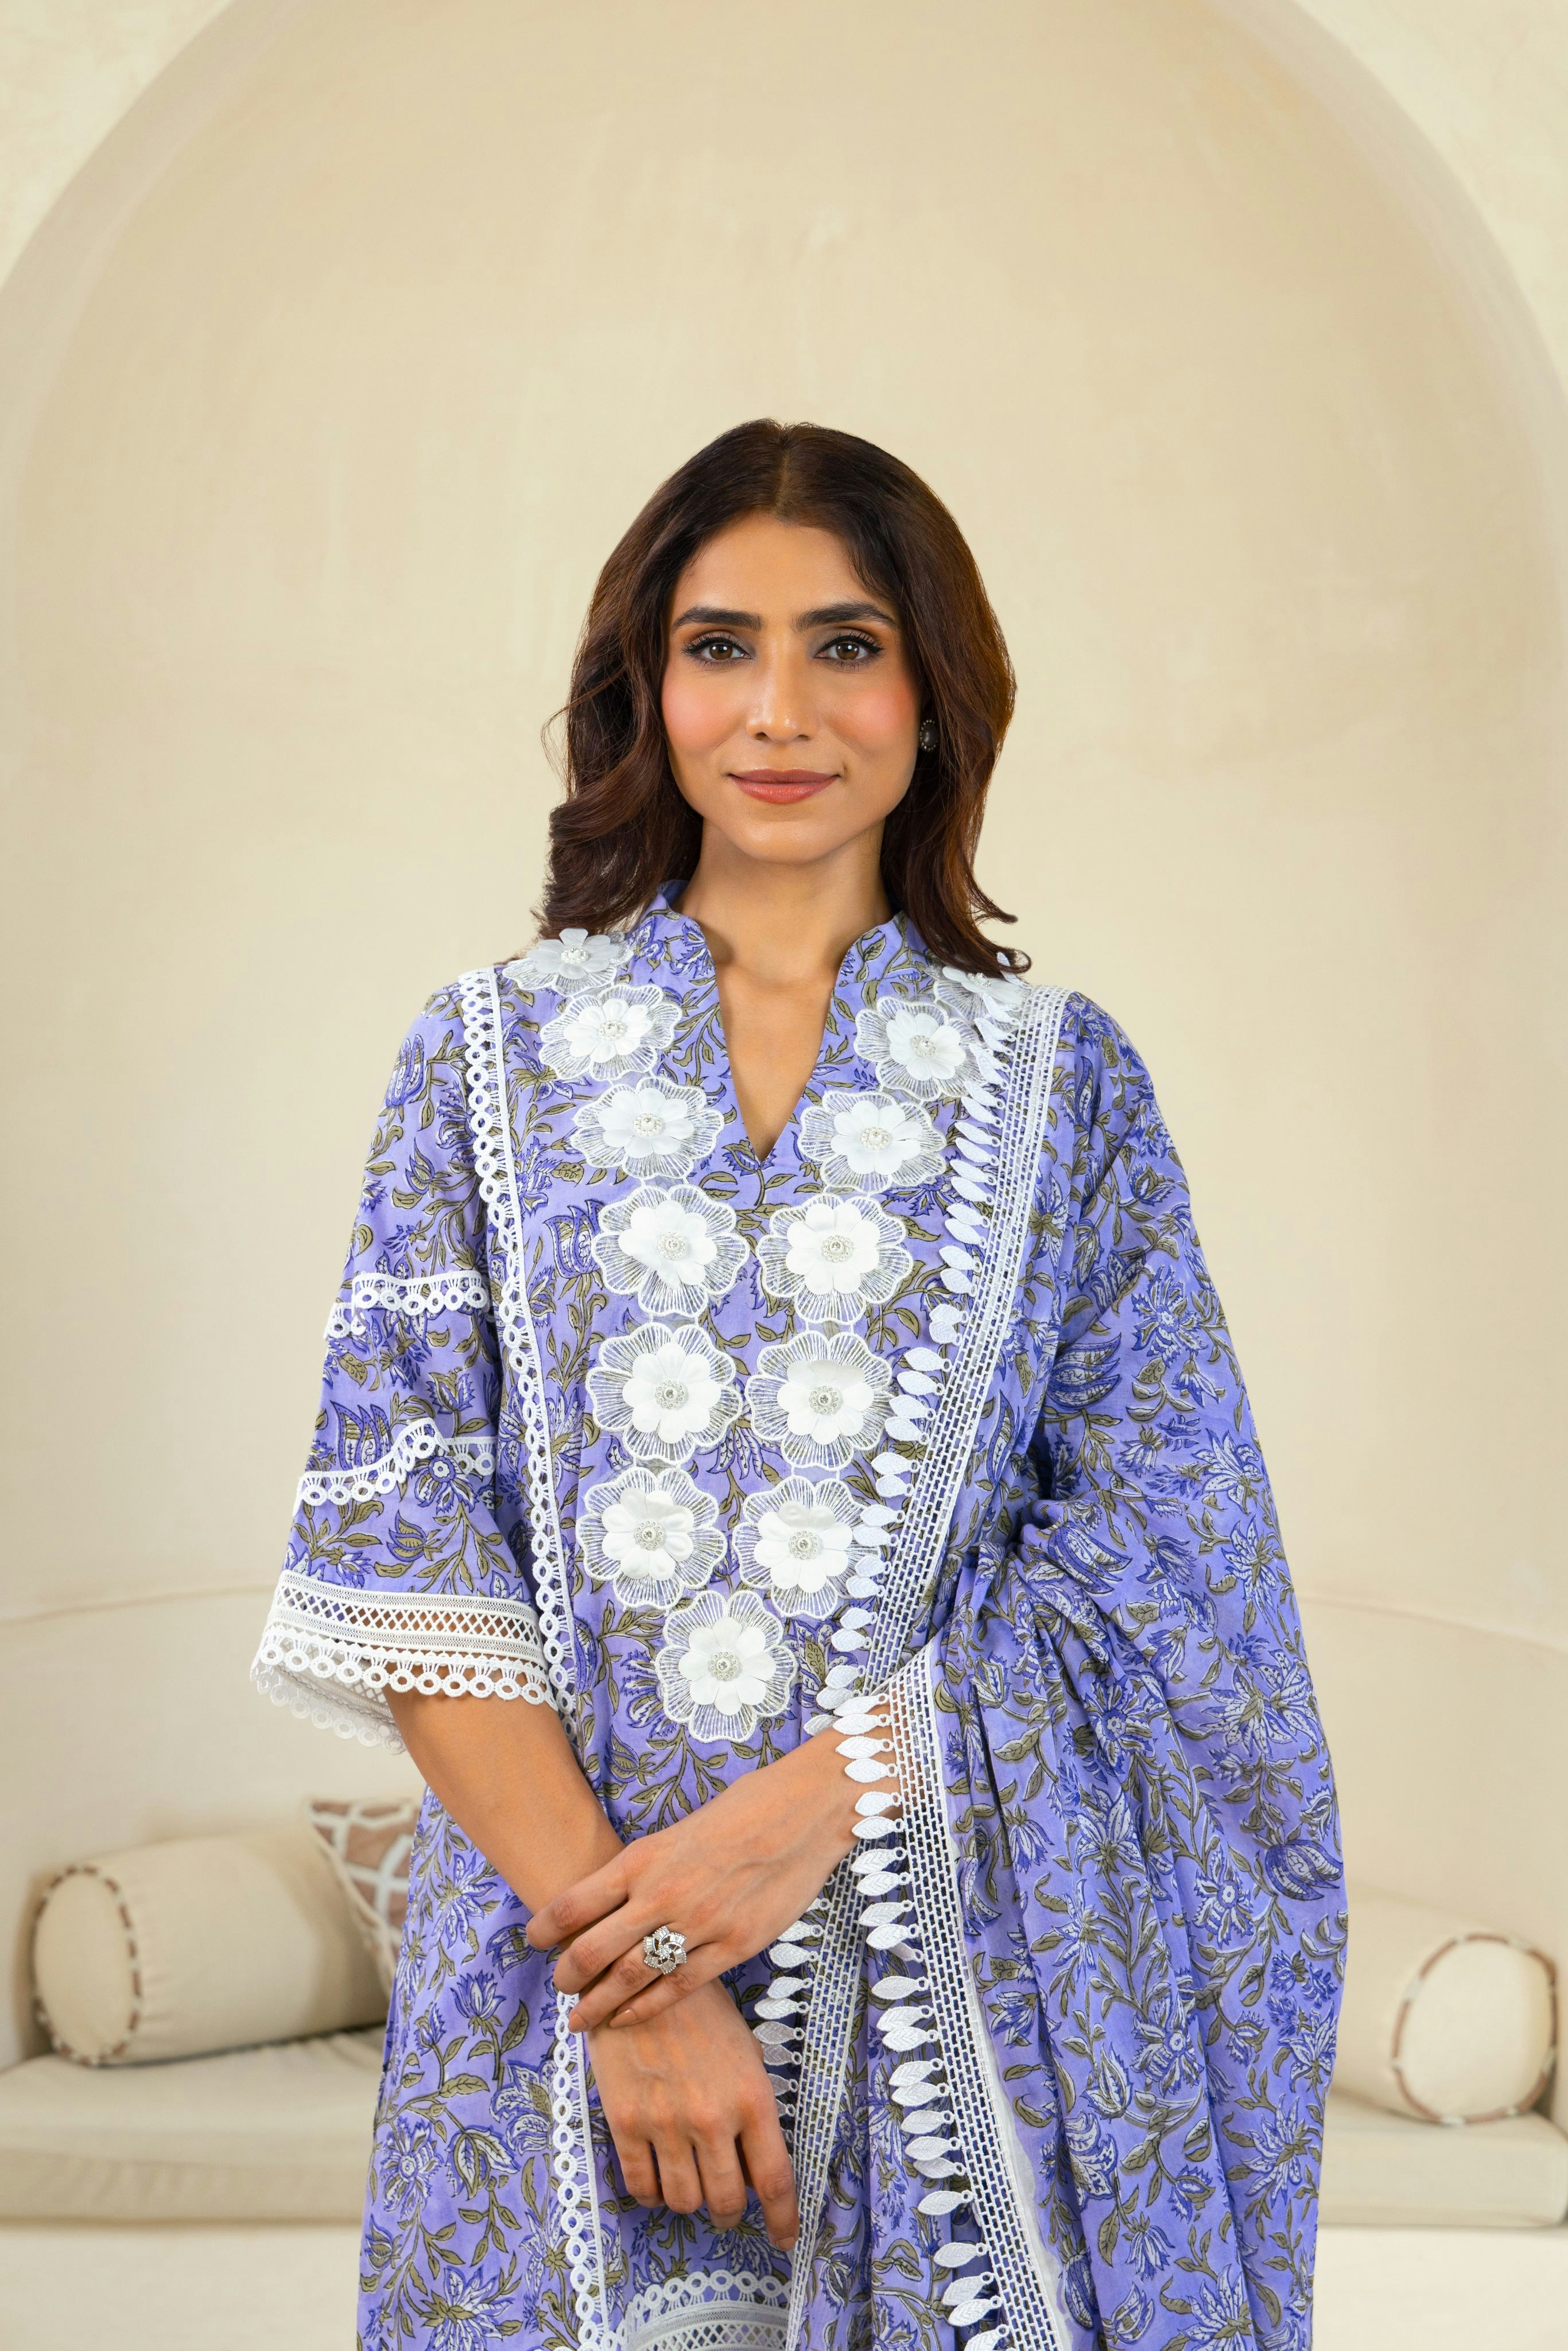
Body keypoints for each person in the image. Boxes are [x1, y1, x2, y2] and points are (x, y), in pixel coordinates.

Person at [253, 419, 1342, 2351]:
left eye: (845, 645)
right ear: (644, 690)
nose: (778, 709)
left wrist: (798, 1821)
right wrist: (647, 1980)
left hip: (947, 2001)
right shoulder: (483, 1059)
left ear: (936, 696)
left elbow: (1170, 1576)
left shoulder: (1060, 1082)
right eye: (717, 645)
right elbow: (407, 1537)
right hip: (560, 1987)